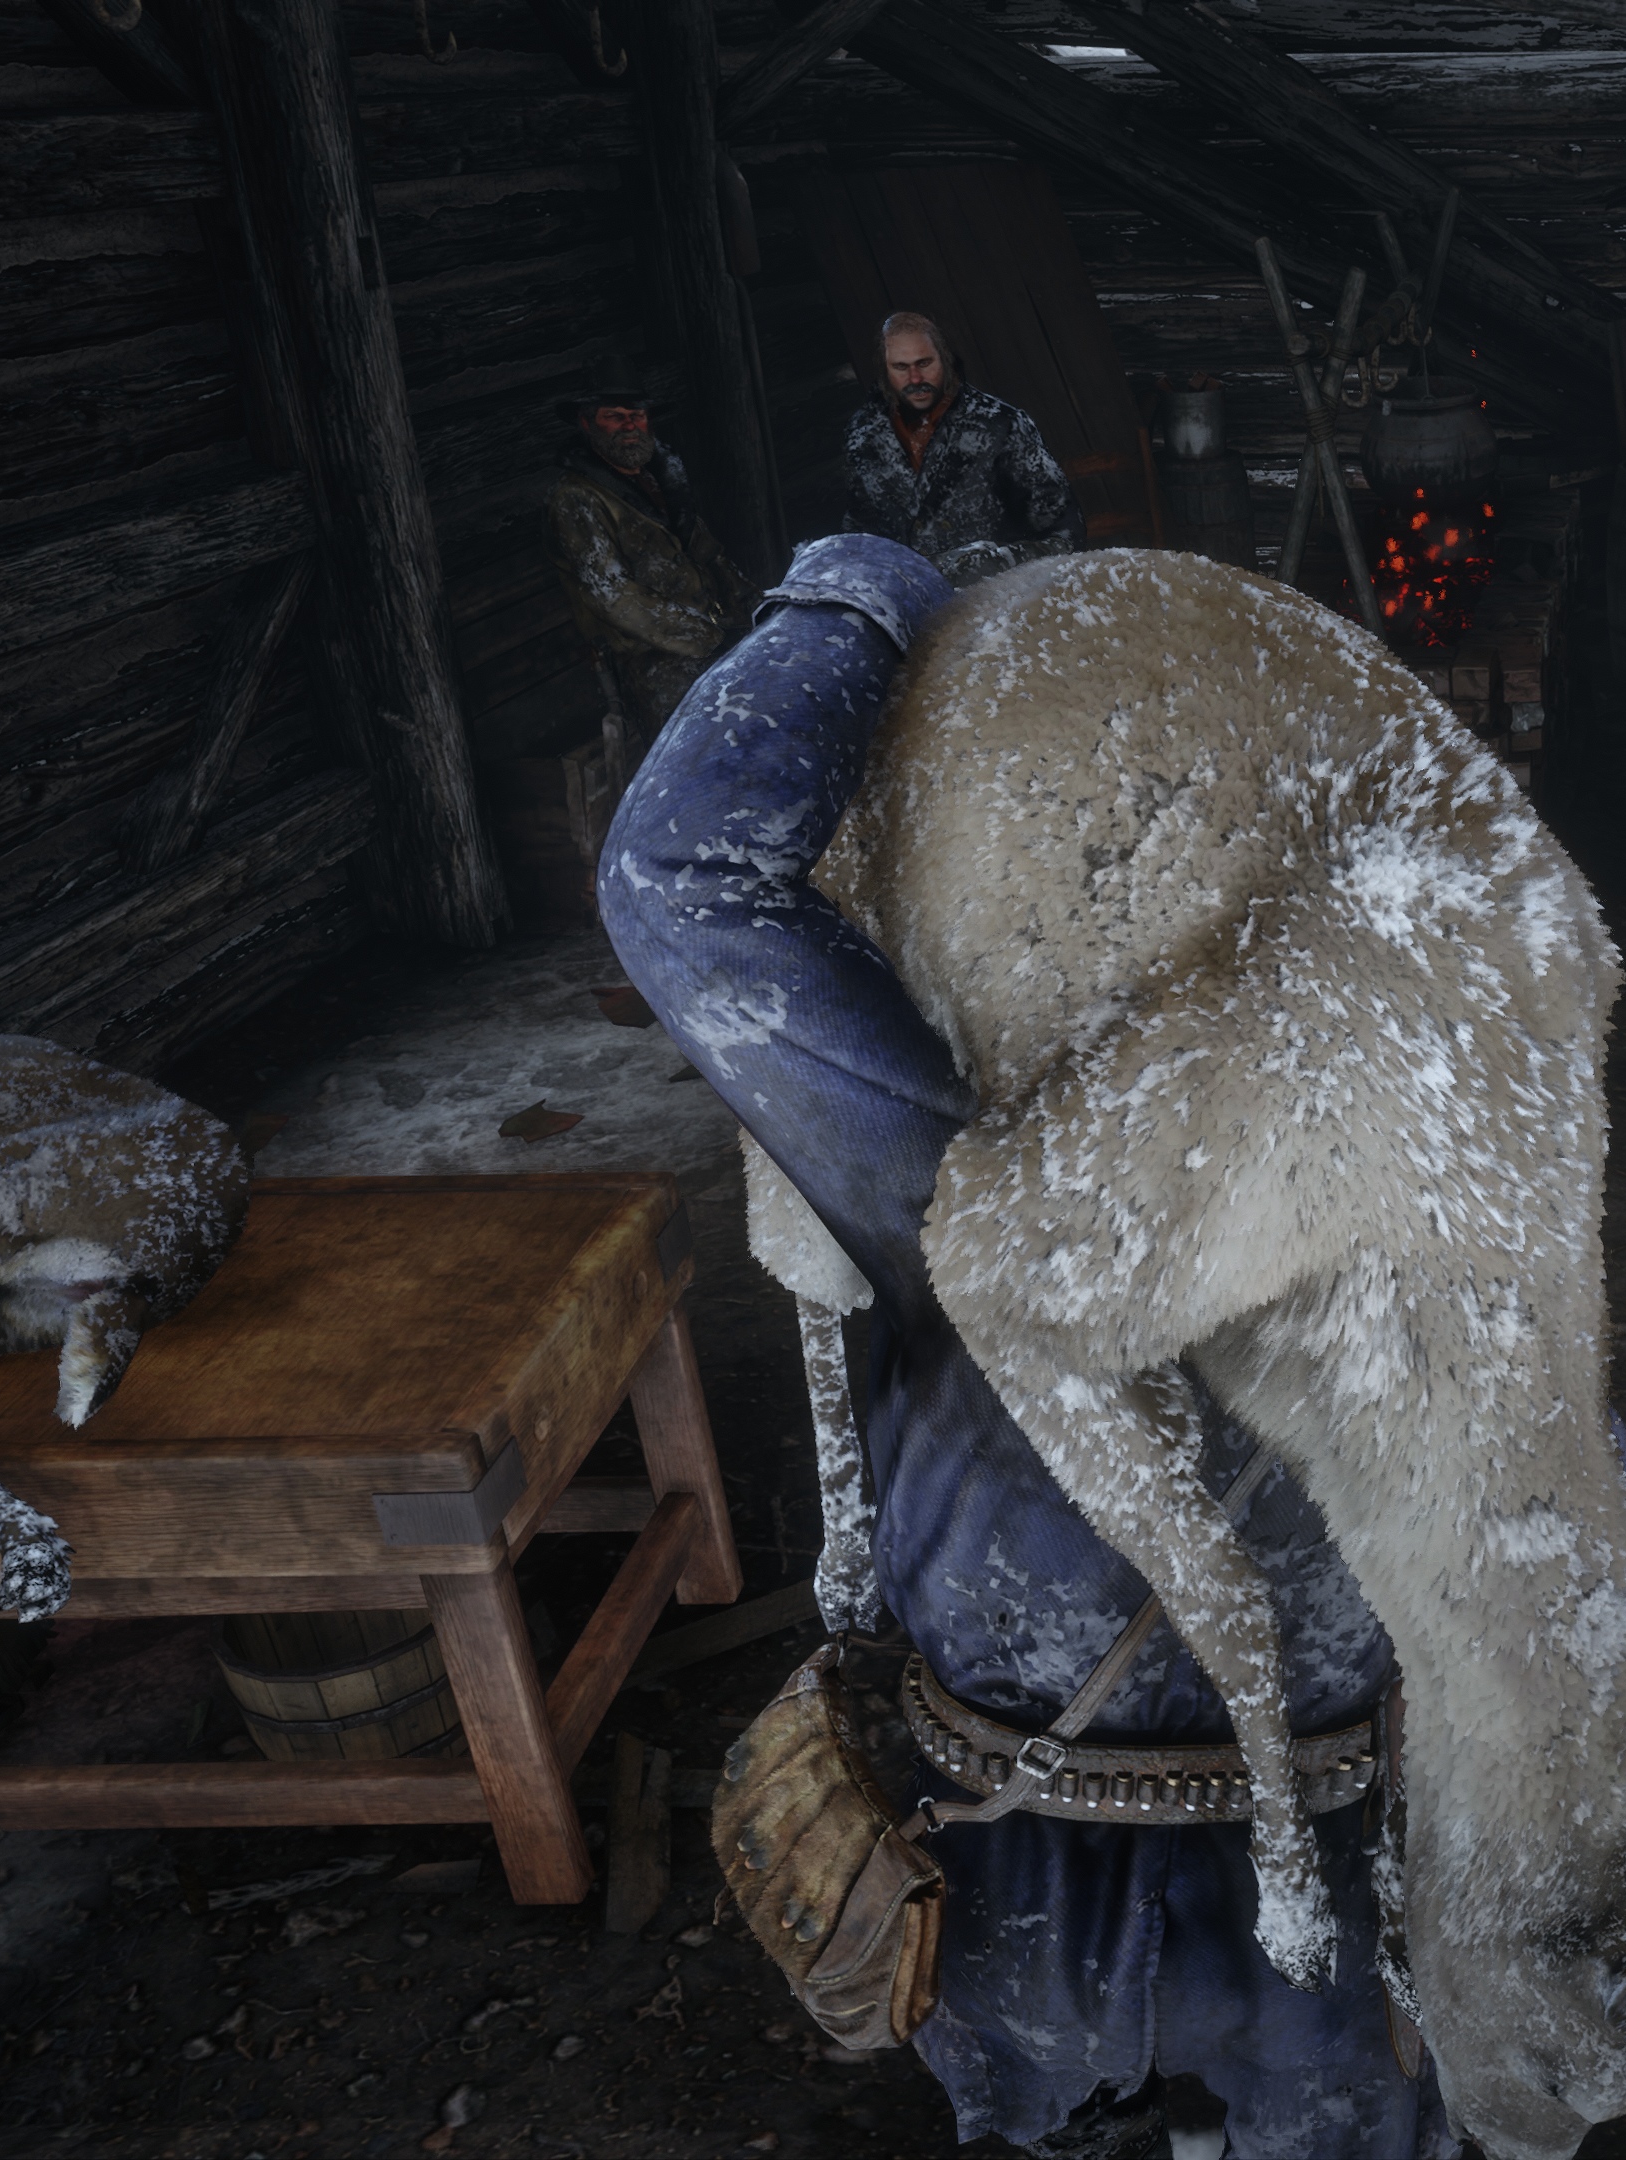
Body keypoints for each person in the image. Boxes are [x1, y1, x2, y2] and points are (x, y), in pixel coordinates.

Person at [597, 538, 1445, 2159]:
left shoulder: (951, 1163)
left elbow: (681, 876)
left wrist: (862, 587)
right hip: (1226, 1878)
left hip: (1083, 1873)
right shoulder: (1425, 1132)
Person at [544, 385, 753, 773]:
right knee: (702, 762)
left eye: (637, 416)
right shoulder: (577, 498)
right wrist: (707, 638)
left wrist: (758, 606)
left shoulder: (661, 479)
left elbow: (709, 553)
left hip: (718, 633)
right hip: (654, 659)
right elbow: (613, 596)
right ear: (587, 424)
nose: (629, 426)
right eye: (614, 416)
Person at [845, 313, 1079, 583]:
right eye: (901, 367)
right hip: (911, 600)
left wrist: (995, 562)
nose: (915, 378)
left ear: (944, 358)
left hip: (1003, 596)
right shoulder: (863, 436)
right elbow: (860, 535)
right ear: (885, 371)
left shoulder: (1001, 424)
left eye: (924, 363)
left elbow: (1065, 536)